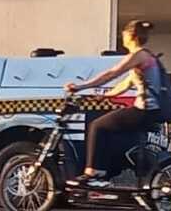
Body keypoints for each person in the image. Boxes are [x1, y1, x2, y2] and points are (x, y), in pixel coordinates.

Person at [63, 20, 164, 188]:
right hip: (150, 111)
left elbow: (111, 74)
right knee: (108, 130)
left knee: (96, 126)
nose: (122, 35)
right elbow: (124, 85)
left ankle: (93, 173)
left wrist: (80, 86)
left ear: (131, 36)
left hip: (144, 110)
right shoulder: (146, 57)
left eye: (124, 33)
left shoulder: (138, 55)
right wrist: (104, 96)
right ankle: (106, 171)